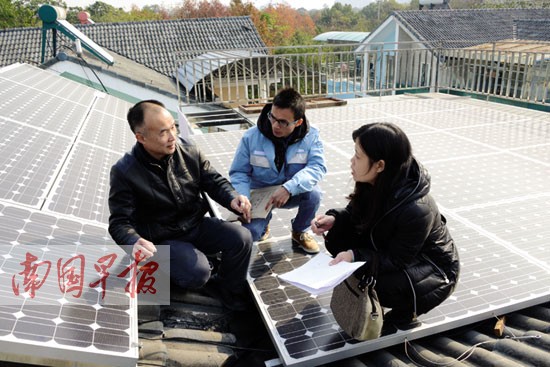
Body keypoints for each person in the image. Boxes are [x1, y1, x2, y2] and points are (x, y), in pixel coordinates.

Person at [311, 122, 459, 330]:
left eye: (358, 156)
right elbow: (356, 214)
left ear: (380, 165)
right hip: (395, 251)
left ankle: (407, 312)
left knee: (372, 281)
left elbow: (398, 259)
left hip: (432, 272)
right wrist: (335, 219)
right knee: (339, 236)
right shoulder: (374, 182)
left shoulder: (416, 208)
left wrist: (355, 255)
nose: (352, 161)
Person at [108, 100, 253, 311]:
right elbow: (119, 223)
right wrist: (134, 240)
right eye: (163, 132)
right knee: (198, 273)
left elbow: (213, 180)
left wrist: (232, 198)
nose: (172, 136)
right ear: (141, 137)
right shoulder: (125, 171)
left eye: (173, 127)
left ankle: (227, 290)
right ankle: (167, 268)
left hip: (194, 224)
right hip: (163, 238)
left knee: (242, 238)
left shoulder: (188, 151)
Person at [229, 87, 327, 253]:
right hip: (261, 196)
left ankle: (299, 231)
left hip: (292, 191)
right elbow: (239, 172)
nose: (275, 125)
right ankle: (263, 224)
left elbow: (317, 167)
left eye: (283, 122)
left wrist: (289, 188)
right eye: (272, 118)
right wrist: (243, 197)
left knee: (314, 195)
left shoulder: (311, 136)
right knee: (251, 234)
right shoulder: (251, 137)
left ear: (298, 122)